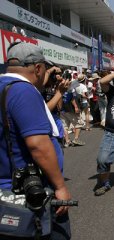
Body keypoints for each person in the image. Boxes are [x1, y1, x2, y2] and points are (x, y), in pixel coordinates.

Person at [0, 42, 72, 239]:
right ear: (38, 68)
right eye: (45, 69)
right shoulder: (23, 91)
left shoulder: (4, 86)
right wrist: (61, 187)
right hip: (29, 193)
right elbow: (38, 145)